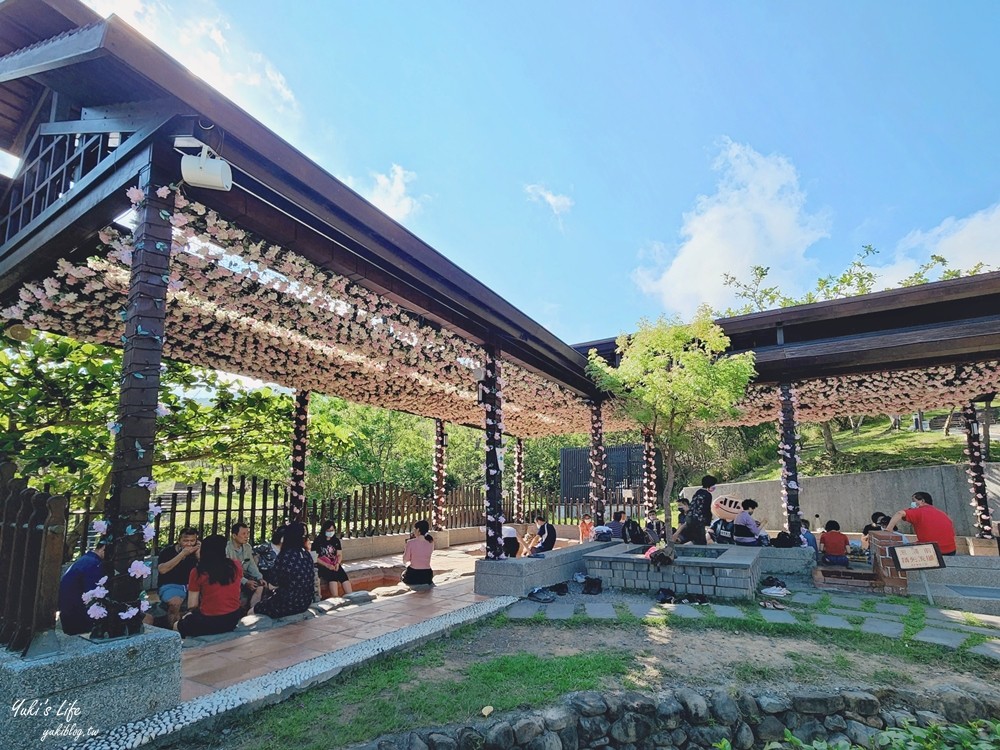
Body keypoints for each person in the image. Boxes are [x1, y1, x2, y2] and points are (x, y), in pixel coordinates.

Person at [176, 534, 243, 638]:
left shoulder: (197, 572)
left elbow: (192, 605)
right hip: (232, 618)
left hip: (209, 620)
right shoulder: (236, 565)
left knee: (177, 625)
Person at [252, 522, 315, 618]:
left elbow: (274, 582)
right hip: (305, 601)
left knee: (252, 611)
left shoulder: (284, 556)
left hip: (287, 603)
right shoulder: (306, 554)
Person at [885, 492, 957, 556]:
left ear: (922, 501)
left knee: (894, 552)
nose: (912, 503)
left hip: (931, 550)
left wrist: (888, 530)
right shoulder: (942, 513)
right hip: (951, 550)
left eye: (914, 501)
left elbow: (900, 513)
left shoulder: (919, 511)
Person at [58, 541, 107, 635]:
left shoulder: (86, 560)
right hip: (78, 618)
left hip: (68, 614)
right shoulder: (94, 564)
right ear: (103, 549)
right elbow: (94, 594)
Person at [157, 527, 201, 628]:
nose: (189, 544)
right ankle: (174, 629)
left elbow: (206, 570)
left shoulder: (197, 552)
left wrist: (198, 556)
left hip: (191, 585)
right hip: (171, 585)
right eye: (185, 541)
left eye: (192, 541)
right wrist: (182, 554)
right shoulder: (167, 552)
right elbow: (162, 569)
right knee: (175, 603)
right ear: (179, 540)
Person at [226, 521, 265, 612]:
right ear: (234, 536)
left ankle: (253, 610)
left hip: (245, 574)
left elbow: (251, 564)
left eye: (247, 533)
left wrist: (259, 577)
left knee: (260, 586)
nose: (246, 536)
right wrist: (245, 582)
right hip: (232, 577)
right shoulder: (227, 549)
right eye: (243, 534)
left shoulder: (247, 547)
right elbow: (230, 570)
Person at [314, 520, 352, 598]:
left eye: (332, 530)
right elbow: (315, 557)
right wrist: (327, 565)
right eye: (328, 530)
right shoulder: (318, 541)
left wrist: (337, 563)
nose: (330, 532)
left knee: (342, 575)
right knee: (332, 575)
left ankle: (351, 595)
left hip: (334, 563)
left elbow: (339, 554)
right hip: (323, 564)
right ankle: (335, 596)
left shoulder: (336, 541)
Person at [674, 475, 714, 545]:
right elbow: (706, 509)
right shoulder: (707, 495)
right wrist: (708, 522)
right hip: (699, 520)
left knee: (694, 538)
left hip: (690, 518)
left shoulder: (697, 492)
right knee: (701, 541)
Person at [402, 520, 435, 585]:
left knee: (403, 575)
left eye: (414, 529)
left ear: (418, 530)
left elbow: (405, 559)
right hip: (427, 574)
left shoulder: (410, 542)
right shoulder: (431, 542)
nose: (413, 531)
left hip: (414, 574)